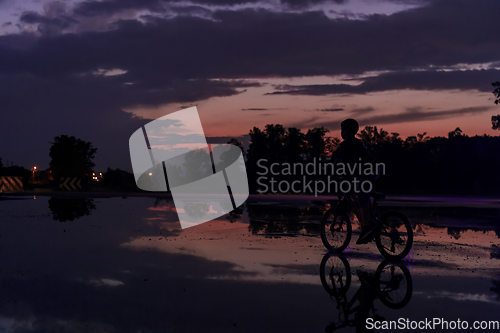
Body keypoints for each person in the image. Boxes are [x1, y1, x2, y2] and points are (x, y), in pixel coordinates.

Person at [333, 119, 377, 244]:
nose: (341, 132)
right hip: (372, 169)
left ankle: (366, 227)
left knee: (362, 196)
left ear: (346, 131)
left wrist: (334, 176)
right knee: (361, 192)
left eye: (342, 130)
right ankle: (370, 219)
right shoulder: (359, 142)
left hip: (367, 171)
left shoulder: (345, 144)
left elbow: (338, 162)